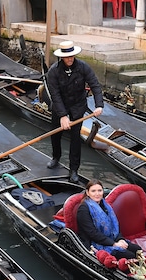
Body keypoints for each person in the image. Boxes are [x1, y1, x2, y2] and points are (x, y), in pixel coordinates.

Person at [46, 40, 104, 184]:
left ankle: (74, 170)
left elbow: (95, 85)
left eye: (72, 56)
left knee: (75, 140)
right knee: (55, 134)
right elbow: (55, 95)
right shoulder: (53, 72)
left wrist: (99, 105)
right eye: (67, 56)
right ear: (62, 57)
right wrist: (63, 116)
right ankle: (56, 157)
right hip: (60, 107)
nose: (70, 59)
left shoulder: (83, 67)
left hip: (78, 107)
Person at [76, 179, 143, 260]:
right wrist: (114, 244)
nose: (97, 194)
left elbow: (115, 226)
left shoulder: (105, 205)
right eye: (93, 191)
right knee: (130, 255)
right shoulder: (83, 209)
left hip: (111, 239)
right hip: (94, 243)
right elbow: (92, 233)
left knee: (137, 249)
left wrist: (120, 239)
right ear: (87, 192)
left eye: (99, 190)